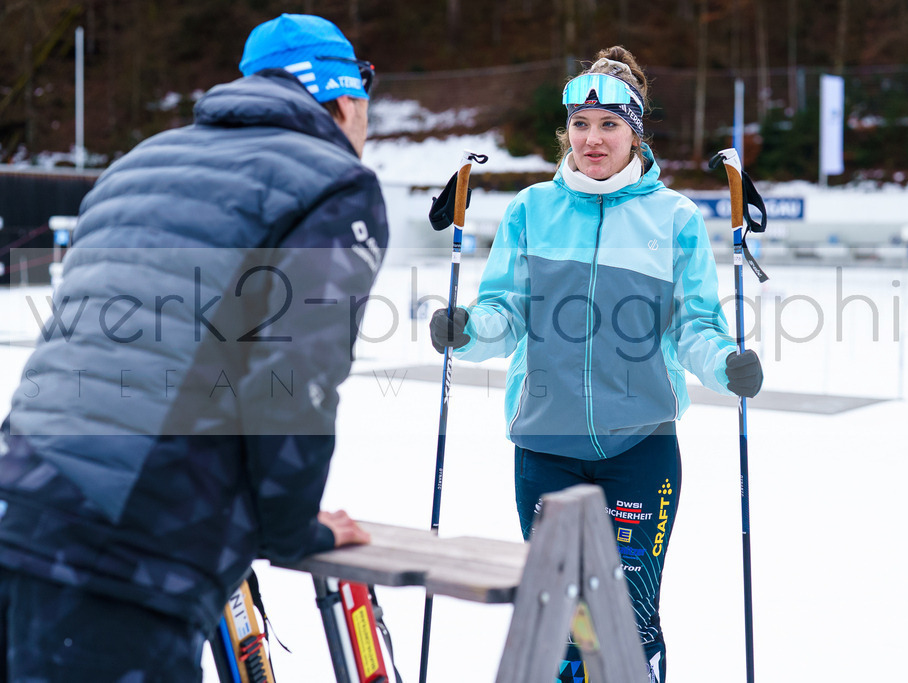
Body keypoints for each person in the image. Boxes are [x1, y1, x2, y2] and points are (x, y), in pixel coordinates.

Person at [0, 13, 386, 681]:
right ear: (346, 99)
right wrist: (292, 526)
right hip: (130, 553)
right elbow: (294, 376)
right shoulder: (334, 182)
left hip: (20, 505)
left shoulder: (136, 164)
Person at [429, 46, 763, 683]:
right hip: (544, 447)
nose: (592, 139)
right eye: (580, 124)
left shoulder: (674, 218)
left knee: (626, 623)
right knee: (561, 619)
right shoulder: (531, 210)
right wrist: (466, 331)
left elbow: (695, 326)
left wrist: (727, 364)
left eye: (609, 124)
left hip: (639, 448)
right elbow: (503, 311)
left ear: (635, 132)